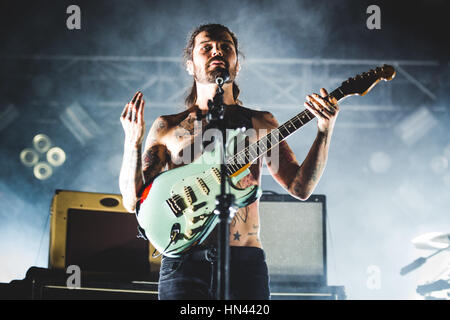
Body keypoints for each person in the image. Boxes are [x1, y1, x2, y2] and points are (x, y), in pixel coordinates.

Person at [119, 24, 339, 300]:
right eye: (207, 47)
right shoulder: (168, 127)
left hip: (245, 263)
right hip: (184, 264)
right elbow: (132, 201)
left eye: (226, 47)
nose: (217, 52)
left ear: (237, 64)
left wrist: (324, 131)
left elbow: (300, 187)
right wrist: (132, 142)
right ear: (190, 65)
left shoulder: (261, 123)